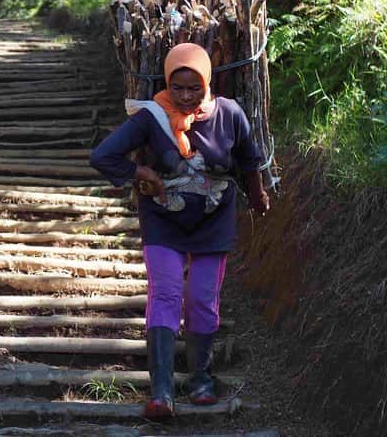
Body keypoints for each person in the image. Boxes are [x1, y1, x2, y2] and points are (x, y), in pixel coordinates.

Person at [90, 43, 270, 418]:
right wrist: (140, 173)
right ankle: (162, 390)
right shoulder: (150, 118)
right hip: (163, 221)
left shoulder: (230, 114)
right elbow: (103, 155)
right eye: (178, 88)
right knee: (168, 293)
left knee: (202, 298)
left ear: (207, 83)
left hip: (213, 221)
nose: (186, 97)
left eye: (195, 88)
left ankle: (201, 379)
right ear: (166, 84)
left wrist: (257, 197)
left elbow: (250, 162)